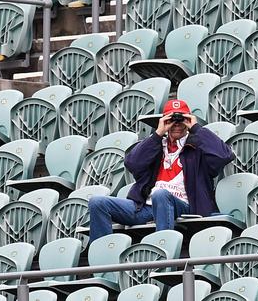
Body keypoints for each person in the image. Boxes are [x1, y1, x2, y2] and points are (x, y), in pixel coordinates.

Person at [88, 99, 235, 241]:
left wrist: (196, 128)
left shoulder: (197, 147)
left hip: (184, 205)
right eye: (171, 120)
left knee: (161, 195)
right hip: (145, 207)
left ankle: (163, 252)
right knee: (97, 202)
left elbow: (225, 155)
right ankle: (102, 258)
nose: (177, 124)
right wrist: (157, 134)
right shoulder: (155, 146)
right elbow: (132, 163)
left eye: (181, 119)